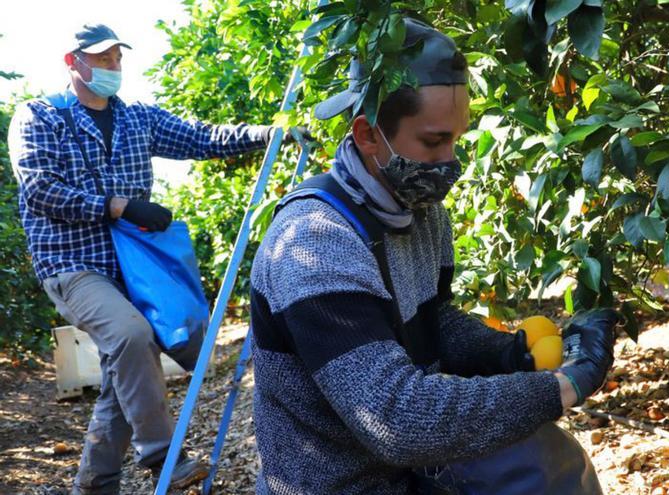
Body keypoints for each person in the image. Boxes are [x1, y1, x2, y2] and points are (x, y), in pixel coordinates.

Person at [248, 18, 617, 494]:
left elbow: (431, 321)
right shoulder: (314, 243)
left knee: (556, 468)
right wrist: (561, 387)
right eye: (433, 141)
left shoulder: (419, 208)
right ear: (366, 135)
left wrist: (507, 353)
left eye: (456, 139)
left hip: (414, 474)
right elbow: (394, 417)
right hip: (341, 485)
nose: (450, 161)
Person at [7, 23, 293, 494]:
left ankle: (93, 488)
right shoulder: (39, 117)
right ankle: (162, 456)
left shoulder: (137, 117)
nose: (113, 67)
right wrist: (116, 206)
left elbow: (201, 137)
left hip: (136, 266)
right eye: (102, 58)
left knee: (133, 368)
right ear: (72, 62)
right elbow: (39, 189)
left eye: (118, 57)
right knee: (132, 335)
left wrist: (273, 134)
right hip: (73, 264)